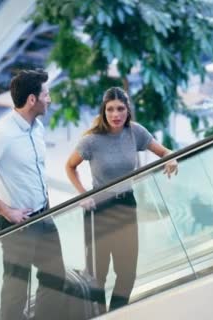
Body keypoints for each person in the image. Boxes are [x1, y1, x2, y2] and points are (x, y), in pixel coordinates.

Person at [65, 87, 178, 313]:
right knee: (98, 276)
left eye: (120, 109)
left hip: (127, 204)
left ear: (128, 111)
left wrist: (171, 159)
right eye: (110, 109)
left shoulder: (135, 132)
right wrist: (82, 194)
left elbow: (165, 152)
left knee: (127, 272)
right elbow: (70, 166)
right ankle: (100, 315)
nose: (115, 114)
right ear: (103, 112)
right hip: (99, 209)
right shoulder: (91, 140)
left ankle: (115, 313)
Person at [0, 69, 67, 320]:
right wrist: (6, 210)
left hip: (43, 215)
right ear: (32, 99)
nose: (50, 99)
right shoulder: (3, 134)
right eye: (46, 94)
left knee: (56, 278)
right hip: (17, 225)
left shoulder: (37, 127)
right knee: (16, 294)